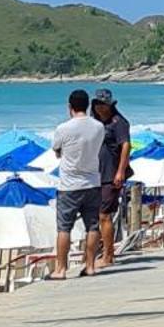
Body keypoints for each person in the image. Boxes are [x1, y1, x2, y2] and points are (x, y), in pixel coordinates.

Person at [51, 88, 106, 280]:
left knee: (64, 228)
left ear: (69, 107)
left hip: (69, 184)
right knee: (92, 225)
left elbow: (57, 150)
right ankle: (90, 265)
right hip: (92, 181)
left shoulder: (63, 128)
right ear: (88, 106)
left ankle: (61, 269)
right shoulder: (99, 127)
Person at [91, 90, 132, 266]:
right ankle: (99, 253)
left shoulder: (118, 122)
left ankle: (109, 256)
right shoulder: (95, 121)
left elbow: (126, 146)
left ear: (110, 105)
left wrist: (120, 171)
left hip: (111, 174)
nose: (100, 107)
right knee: (96, 215)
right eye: (97, 104)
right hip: (95, 174)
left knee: (104, 215)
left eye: (103, 104)